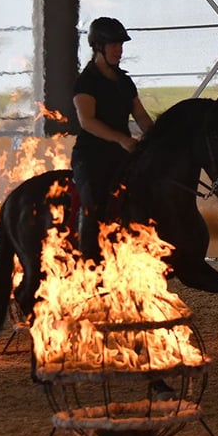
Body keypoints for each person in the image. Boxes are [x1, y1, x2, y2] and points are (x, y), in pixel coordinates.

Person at [71, 17, 154, 263]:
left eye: (120, 45)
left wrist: (158, 138)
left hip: (122, 154)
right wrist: (121, 139)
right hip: (91, 156)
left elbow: (141, 116)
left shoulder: (125, 82)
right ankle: (87, 256)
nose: (119, 50)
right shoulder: (86, 82)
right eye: (114, 45)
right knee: (94, 201)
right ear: (98, 47)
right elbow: (87, 121)